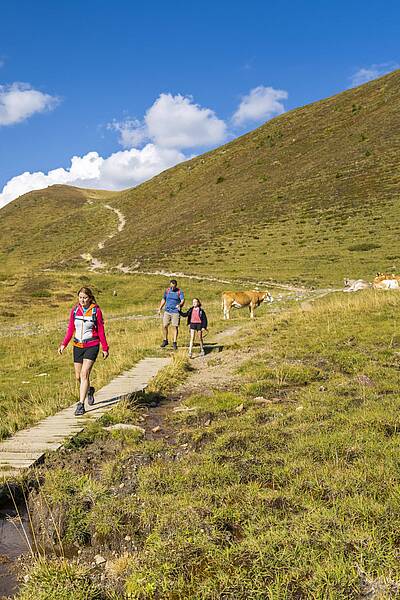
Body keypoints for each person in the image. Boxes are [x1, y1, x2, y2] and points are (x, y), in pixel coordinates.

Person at [58, 287, 109, 416]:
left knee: (84, 373)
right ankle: (89, 390)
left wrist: (105, 348)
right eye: (80, 297)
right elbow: (70, 328)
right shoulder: (75, 310)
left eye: (85, 298)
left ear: (90, 298)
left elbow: (101, 330)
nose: (82, 300)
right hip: (77, 346)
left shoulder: (96, 311)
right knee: (78, 376)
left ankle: (81, 404)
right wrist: (64, 344)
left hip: (92, 345)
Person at [158, 279, 185, 350]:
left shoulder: (179, 292)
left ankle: (174, 342)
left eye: (173, 286)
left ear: (176, 285)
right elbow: (164, 299)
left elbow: (182, 300)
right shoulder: (167, 291)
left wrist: (179, 305)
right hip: (167, 311)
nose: (172, 288)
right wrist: (160, 308)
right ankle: (165, 340)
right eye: (171, 286)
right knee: (164, 325)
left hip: (175, 312)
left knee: (175, 326)